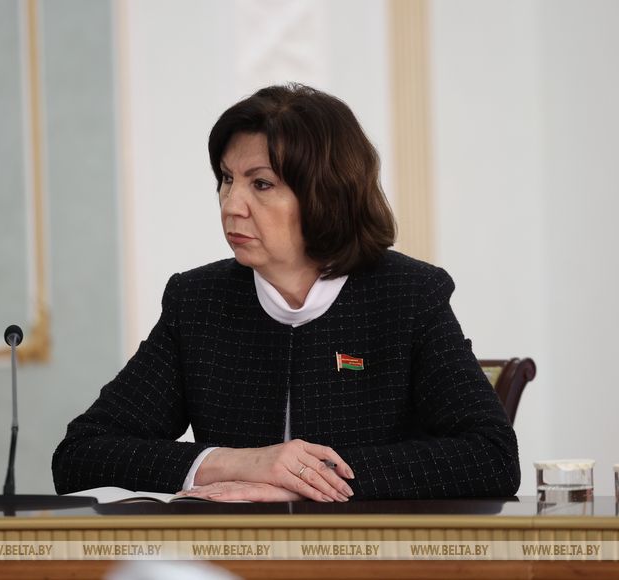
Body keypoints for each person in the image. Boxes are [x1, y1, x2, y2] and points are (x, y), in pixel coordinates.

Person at [52, 84, 520, 502]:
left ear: (326, 195)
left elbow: (491, 455)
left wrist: (306, 481)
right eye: (226, 179)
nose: (232, 205)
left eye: (261, 184)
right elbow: (81, 455)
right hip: (235, 558)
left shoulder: (408, 296)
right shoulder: (198, 302)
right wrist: (240, 463)